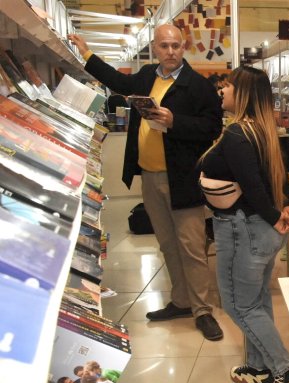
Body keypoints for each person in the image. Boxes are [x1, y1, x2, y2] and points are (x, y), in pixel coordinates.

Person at [66, 26, 225, 341]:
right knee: (166, 243)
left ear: (184, 47)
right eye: (164, 45)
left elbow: (211, 127)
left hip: (182, 179)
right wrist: (86, 53)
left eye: (176, 46)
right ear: (155, 47)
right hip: (150, 177)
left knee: (191, 247)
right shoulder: (146, 76)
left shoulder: (198, 86)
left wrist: (174, 121)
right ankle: (181, 301)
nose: (170, 51)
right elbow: (118, 81)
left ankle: (202, 310)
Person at [199, 66, 289, 383]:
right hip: (257, 230)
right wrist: (281, 211)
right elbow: (276, 178)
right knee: (256, 301)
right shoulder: (263, 131)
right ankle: (259, 366)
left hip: (242, 230)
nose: (222, 91)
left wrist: (275, 215)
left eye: (227, 86)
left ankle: (284, 368)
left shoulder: (237, 135)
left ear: (241, 94)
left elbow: (254, 186)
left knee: (237, 305)